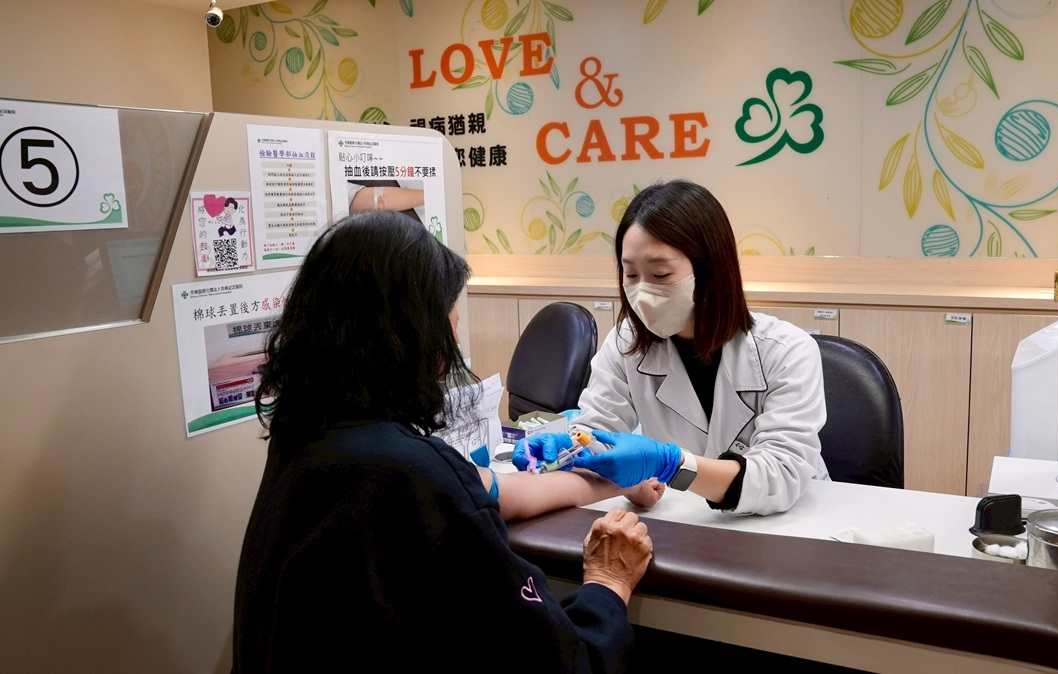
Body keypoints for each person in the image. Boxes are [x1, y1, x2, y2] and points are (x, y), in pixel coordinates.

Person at [233, 210, 656, 673]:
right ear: (413, 333)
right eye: (450, 319)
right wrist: (608, 582)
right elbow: (568, 663)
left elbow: (491, 487)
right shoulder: (413, 472)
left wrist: (614, 478)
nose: (454, 335)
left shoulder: (307, 438)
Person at [516, 179, 828, 516]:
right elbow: (597, 435)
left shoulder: (788, 351)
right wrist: (577, 449)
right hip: (683, 519)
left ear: (710, 272)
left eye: (661, 274)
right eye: (631, 275)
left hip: (792, 522)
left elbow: (779, 476)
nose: (642, 293)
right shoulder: (626, 344)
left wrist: (671, 464)